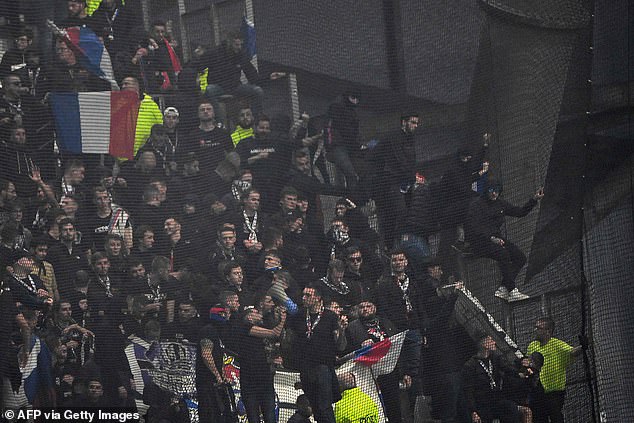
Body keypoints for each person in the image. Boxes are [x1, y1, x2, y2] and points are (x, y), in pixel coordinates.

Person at [465, 182, 544, 301]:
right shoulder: (476, 205)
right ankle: (512, 290)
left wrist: (534, 199)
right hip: (479, 241)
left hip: (497, 239)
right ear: (486, 191)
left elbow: (519, 212)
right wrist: (491, 238)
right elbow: (475, 227)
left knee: (520, 257)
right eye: (491, 190)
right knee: (503, 254)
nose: (494, 193)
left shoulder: (500, 203)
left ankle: (503, 287)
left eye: (496, 190)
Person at [193, 31, 286, 122]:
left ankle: (255, 119)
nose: (239, 47)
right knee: (209, 90)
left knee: (257, 91)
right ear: (230, 43)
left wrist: (268, 77)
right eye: (237, 45)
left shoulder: (241, 55)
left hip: (235, 87)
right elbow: (199, 66)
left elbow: (253, 77)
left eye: (241, 45)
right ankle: (220, 121)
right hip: (218, 87)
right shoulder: (214, 53)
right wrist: (197, 58)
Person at [287, 285, 347, 423]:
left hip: (323, 366)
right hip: (306, 367)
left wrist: (342, 330)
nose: (304, 298)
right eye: (303, 295)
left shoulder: (330, 316)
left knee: (324, 405)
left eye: (308, 295)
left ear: (318, 298)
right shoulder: (299, 316)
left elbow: (340, 345)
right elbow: (291, 341)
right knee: (314, 406)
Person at [345, 298, 404, 423]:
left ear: (374, 308)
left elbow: (397, 347)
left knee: (394, 407)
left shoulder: (385, 322)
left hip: (389, 371)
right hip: (367, 374)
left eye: (368, 306)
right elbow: (347, 352)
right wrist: (361, 346)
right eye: (362, 307)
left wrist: (404, 372)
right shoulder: (352, 327)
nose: (365, 309)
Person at [371, 112, 419, 248]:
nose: (416, 126)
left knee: (406, 210)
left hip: (404, 179)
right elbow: (400, 160)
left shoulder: (410, 138)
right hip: (391, 180)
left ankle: (397, 242)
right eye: (413, 122)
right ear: (404, 122)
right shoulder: (394, 137)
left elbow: (411, 160)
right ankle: (393, 243)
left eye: (416, 123)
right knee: (399, 211)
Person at [527, 317, 583, 423]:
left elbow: (571, 352)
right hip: (538, 392)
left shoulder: (557, 345)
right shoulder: (532, 346)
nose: (536, 330)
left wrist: (582, 347)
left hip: (554, 393)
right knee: (539, 419)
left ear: (548, 331)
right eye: (536, 327)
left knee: (556, 417)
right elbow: (527, 364)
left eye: (539, 328)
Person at [236, 306, 287, 423]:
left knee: (270, 416)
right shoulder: (245, 328)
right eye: (256, 313)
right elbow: (275, 333)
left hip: (264, 378)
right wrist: (283, 319)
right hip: (250, 380)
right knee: (254, 417)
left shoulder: (261, 329)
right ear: (249, 317)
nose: (260, 315)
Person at [462, 334, 522, 423]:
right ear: (484, 344)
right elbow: (468, 390)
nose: (494, 342)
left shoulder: (495, 358)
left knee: (511, 408)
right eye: (491, 340)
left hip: (496, 400)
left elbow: (507, 368)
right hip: (482, 404)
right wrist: (473, 411)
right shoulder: (470, 365)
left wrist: (520, 373)